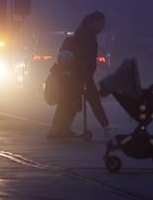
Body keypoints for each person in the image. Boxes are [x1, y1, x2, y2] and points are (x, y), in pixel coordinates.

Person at [47, 11, 115, 141]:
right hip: (81, 76)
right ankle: (107, 128)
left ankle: (59, 128)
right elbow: (86, 60)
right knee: (92, 102)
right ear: (94, 22)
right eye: (101, 23)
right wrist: (85, 77)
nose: (103, 26)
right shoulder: (88, 38)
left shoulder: (80, 35)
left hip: (73, 76)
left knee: (68, 101)